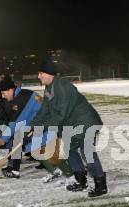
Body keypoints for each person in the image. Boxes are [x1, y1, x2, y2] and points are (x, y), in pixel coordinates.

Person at [31, 60, 107, 197]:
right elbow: (45, 110)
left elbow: (61, 115)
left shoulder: (62, 87)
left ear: (50, 74)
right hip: (75, 125)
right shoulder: (50, 88)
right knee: (69, 149)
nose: (38, 76)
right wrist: (33, 125)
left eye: (41, 73)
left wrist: (42, 127)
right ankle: (81, 180)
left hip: (86, 123)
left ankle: (100, 185)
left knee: (87, 152)